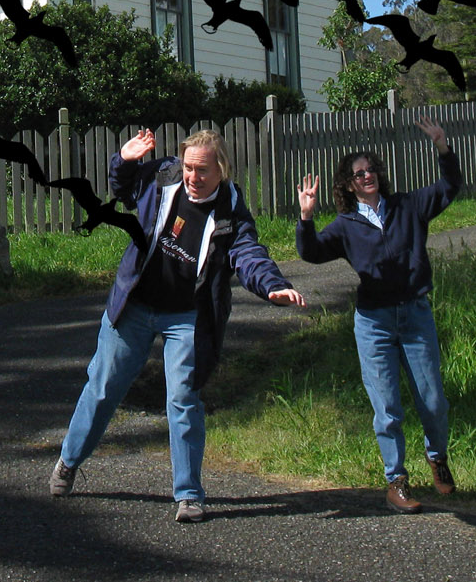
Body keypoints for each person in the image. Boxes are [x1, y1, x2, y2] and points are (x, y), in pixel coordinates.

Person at [50, 126, 306, 523]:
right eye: (189, 167)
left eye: (202, 170)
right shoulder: (163, 177)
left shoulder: (231, 211)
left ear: (221, 170)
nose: (193, 177)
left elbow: (249, 254)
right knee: (102, 388)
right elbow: (124, 188)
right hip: (134, 305)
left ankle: (189, 495)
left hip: (188, 316)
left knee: (183, 399)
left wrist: (272, 285)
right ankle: (69, 461)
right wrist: (125, 159)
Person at [296, 116, 461, 515]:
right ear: (348, 184)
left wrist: (442, 146)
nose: (367, 176)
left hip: (415, 315)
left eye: (371, 170)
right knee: (387, 407)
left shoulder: (408, 206)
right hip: (374, 323)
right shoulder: (346, 226)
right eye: (359, 173)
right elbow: (311, 253)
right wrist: (306, 217)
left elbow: (450, 186)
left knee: (433, 401)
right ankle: (396, 481)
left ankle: (437, 457)